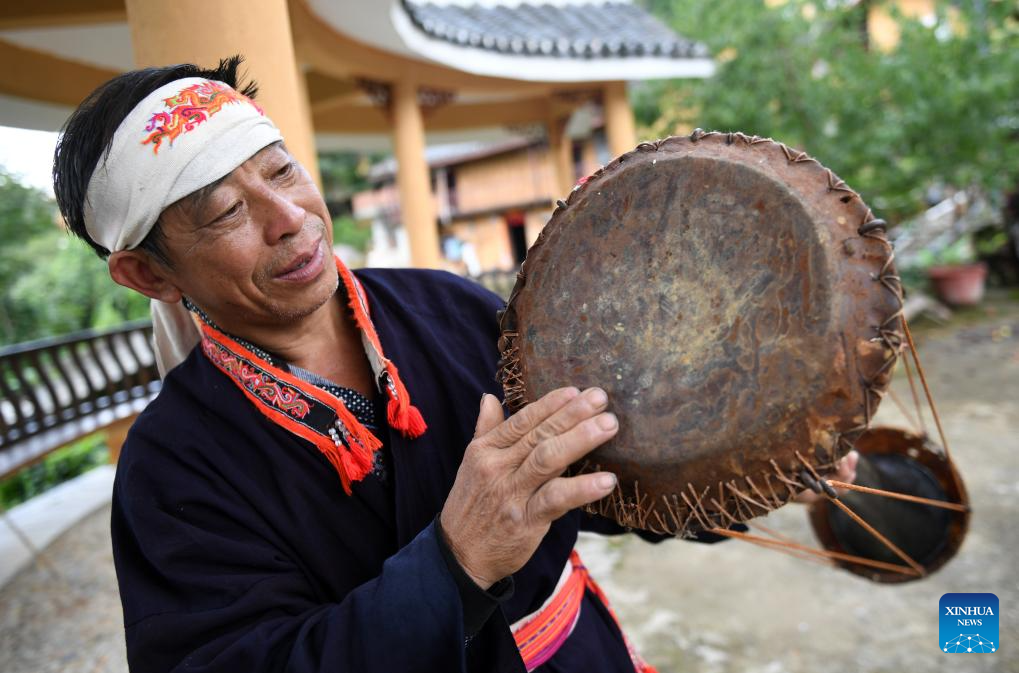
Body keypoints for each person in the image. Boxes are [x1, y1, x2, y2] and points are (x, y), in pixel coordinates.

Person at [53, 57, 856, 673]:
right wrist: (455, 560)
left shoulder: (448, 308)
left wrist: (754, 460)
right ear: (149, 274)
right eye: (226, 211)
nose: (288, 218)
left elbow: (608, 473)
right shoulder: (172, 468)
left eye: (281, 171)